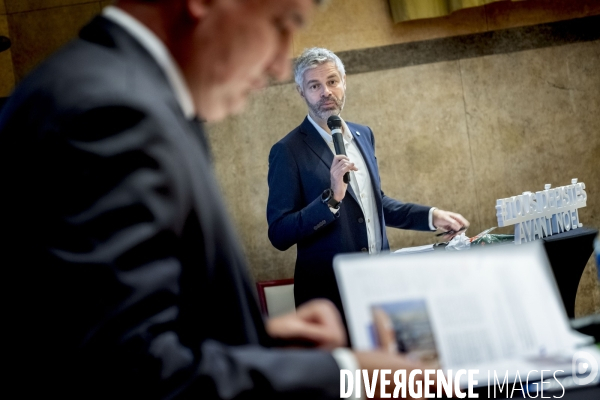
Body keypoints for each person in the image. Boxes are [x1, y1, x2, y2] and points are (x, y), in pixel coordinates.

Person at [1, 1, 429, 399]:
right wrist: (345, 371)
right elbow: (130, 370)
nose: (278, 63)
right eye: (281, 24)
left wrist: (261, 337)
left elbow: (137, 318)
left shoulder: (138, 95)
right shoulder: (106, 111)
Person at [267, 47, 469, 315]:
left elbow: (375, 205)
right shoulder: (288, 150)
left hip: (381, 286)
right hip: (329, 300)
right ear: (301, 91)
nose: (326, 92)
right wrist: (331, 199)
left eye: (332, 81)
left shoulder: (363, 135)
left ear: (344, 81)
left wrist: (431, 216)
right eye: (314, 85)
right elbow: (279, 233)